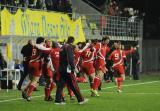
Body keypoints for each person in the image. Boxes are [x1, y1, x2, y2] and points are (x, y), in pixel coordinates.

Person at [55, 36, 88, 105]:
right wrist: (73, 68)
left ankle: (58, 100)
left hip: (61, 68)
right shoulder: (69, 47)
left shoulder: (62, 47)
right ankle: (81, 100)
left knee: (61, 85)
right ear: (73, 41)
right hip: (68, 69)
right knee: (74, 84)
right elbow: (70, 59)